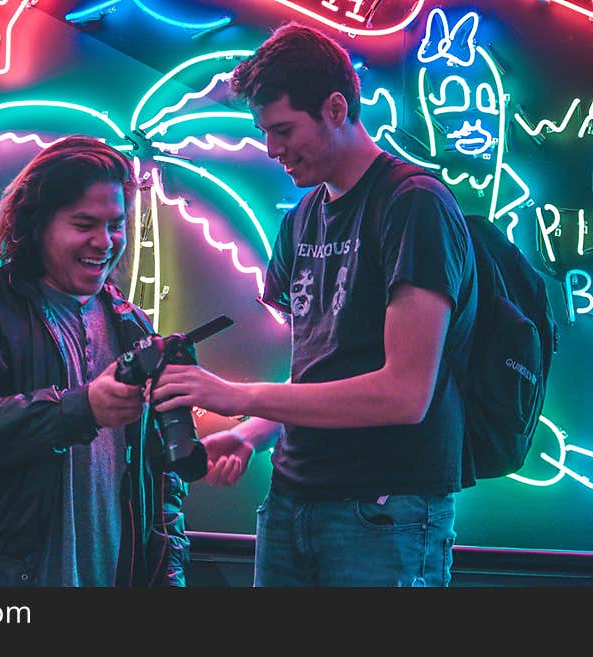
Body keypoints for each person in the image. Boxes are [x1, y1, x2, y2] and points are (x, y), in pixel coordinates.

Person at [151, 23, 477, 587]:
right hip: (290, 502)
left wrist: (235, 396)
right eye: (263, 131)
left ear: (334, 107)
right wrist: (253, 432)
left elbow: (404, 395)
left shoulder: (412, 204)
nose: (272, 149)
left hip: (384, 512)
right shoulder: (299, 220)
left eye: (282, 129)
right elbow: (323, 370)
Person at [0, 136, 190, 587]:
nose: (105, 242)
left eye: (116, 225)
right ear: (37, 224)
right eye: (84, 224)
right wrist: (81, 408)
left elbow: (162, 486)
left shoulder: (132, 325)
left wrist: (168, 574)